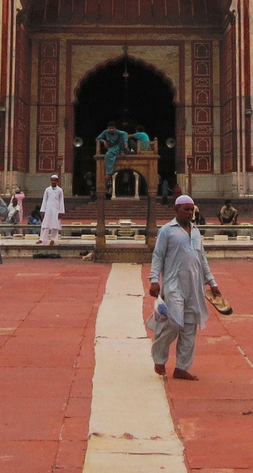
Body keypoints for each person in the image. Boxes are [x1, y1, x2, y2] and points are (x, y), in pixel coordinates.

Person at [148, 195, 221, 380]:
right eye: (185, 209)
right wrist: (154, 279)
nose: (189, 213)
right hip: (173, 284)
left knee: (189, 327)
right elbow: (158, 256)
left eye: (191, 209)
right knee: (174, 322)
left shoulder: (196, 232)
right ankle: (159, 357)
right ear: (176, 210)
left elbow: (202, 259)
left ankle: (182, 367)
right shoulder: (167, 231)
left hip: (194, 286)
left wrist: (212, 283)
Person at [96, 123, 130, 194]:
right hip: (111, 148)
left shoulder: (118, 132)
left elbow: (125, 134)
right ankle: (108, 173)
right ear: (108, 128)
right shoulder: (105, 132)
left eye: (113, 128)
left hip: (119, 147)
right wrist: (104, 141)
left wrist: (126, 143)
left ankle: (123, 151)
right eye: (110, 128)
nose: (111, 129)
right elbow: (98, 138)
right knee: (108, 155)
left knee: (122, 137)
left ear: (115, 128)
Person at [40, 174, 65, 245]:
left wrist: (61, 211)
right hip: (48, 209)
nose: (53, 182)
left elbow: (61, 201)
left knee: (55, 225)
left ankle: (53, 239)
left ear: (57, 181)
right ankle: (42, 239)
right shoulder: (47, 190)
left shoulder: (60, 190)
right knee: (45, 224)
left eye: (55, 180)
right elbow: (44, 200)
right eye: (52, 180)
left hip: (56, 209)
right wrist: (43, 210)